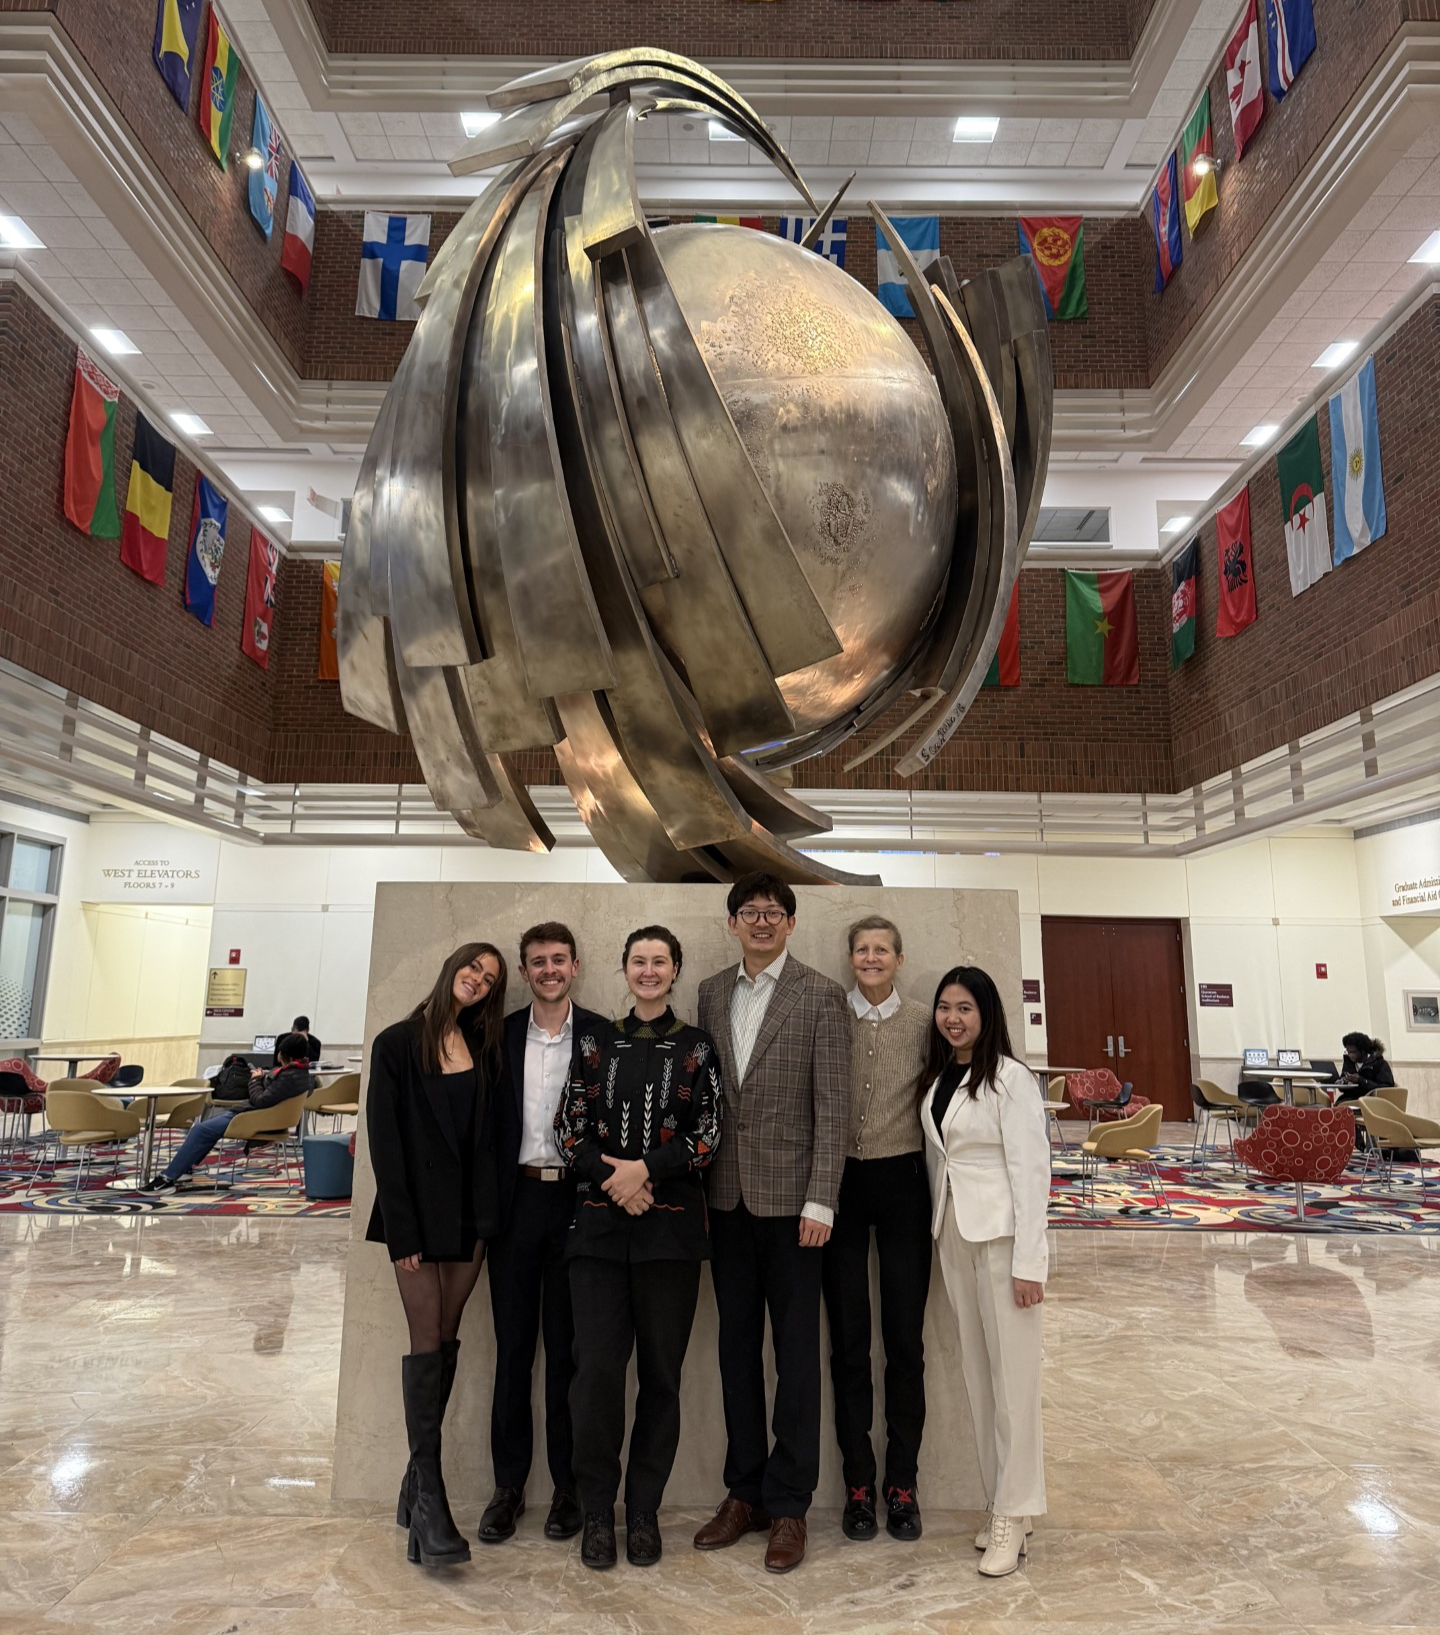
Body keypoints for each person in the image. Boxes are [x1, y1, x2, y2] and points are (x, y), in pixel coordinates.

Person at [694, 872, 849, 1575]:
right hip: (724, 1201)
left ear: (791, 922)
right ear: (732, 923)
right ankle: (744, 1492)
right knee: (734, 1352)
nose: (761, 921)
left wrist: (822, 1198)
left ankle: (789, 1503)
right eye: (749, 912)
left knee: (794, 1356)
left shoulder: (820, 994)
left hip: (795, 1209)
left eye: (773, 912)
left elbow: (834, 1107)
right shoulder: (708, 992)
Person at [555, 925, 723, 1570]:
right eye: (638, 962)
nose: (649, 971)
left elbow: (708, 1133)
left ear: (675, 970)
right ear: (623, 970)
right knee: (595, 1374)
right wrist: (616, 1178)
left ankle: (643, 1510)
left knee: (662, 1377)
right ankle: (598, 1509)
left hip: (670, 1234)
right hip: (597, 1231)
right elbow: (569, 1128)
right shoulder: (594, 1042)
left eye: (660, 962)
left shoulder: (698, 1047)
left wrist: (644, 1171)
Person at [365, 942, 508, 1569]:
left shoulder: (482, 1046)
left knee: (446, 1342)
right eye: (472, 969)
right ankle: (432, 1499)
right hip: (417, 1223)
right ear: (451, 967)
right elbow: (385, 1146)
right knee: (427, 1344)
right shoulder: (397, 1043)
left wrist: (487, 1220)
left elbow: (487, 1142)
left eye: (489, 979)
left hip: (469, 1222)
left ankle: (412, 1487)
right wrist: (404, 1237)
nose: (477, 981)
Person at [920, 965, 1049, 1578]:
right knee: (980, 1377)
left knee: (1015, 1388)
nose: (953, 1017)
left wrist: (1030, 1262)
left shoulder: (1011, 1079)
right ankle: (1002, 1504)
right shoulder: (945, 1073)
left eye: (965, 1008)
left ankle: (1015, 1513)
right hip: (955, 1235)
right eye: (945, 1007)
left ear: (987, 1013)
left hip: (1002, 1243)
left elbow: (1032, 1175)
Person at [480, 923, 606, 1547]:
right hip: (515, 1204)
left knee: (569, 1354)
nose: (550, 970)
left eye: (559, 960)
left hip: (578, 1204)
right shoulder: (497, 1036)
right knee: (512, 1352)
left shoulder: (602, 1035)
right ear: (525, 973)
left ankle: (567, 1487)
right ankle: (508, 1488)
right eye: (538, 962)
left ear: (576, 966)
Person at [821, 915, 933, 1544]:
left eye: (881, 950)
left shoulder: (922, 1021)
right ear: (850, 957)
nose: (870, 958)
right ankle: (858, 1484)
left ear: (898, 956)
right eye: (861, 949)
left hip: (902, 1184)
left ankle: (903, 1483)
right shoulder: (827, 1014)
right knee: (848, 1341)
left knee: (905, 1343)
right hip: (837, 1184)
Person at [145, 1034, 314, 1193]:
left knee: (200, 1130)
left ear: (286, 1055)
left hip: (252, 1117)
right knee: (206, 1129)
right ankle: (183, 1169)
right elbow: (272, 1095)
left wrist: (255, 1079)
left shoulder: (289, 1075)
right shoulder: (301, 1073)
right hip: (259, 1115)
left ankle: (167, 1178)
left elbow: (261, 1100)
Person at [1338, 1032, 1395, 1096]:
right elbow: (1342, 1087)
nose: (1349, 1055)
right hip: (1350, 1098)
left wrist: (1361, 1080)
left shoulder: (1379, 1063)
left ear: (1363, 1051)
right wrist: (1343, 1082)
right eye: (1347, 1052)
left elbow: (1387, 1088)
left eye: (1352, 1052)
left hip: (1371, 1101)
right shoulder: (1349, 1063)